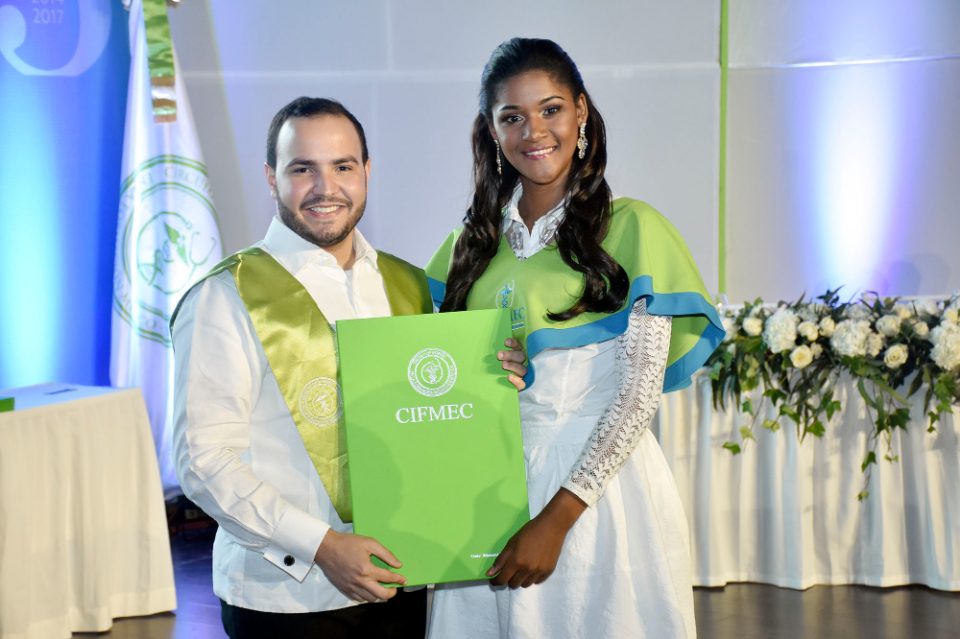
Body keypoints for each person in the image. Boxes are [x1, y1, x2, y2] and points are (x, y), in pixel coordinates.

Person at [171, 96, 526, 639]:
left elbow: (437, 418)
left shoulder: (408, 284)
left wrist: (496, 373)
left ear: (366, 171)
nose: (325, 187)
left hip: (407, 578)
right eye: (302, 169)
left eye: (342, 166)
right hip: (286, 598)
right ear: (270, 177)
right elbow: (204, 461)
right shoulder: (225, 296)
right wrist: (321, 546)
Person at [425, 38, 724, 638]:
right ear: (491, 130)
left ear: (581, 110)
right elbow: (442, 381)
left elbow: (637, 398)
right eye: (512, 116)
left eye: (551, 109)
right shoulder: (470, 246)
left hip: (599, 500)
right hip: (487, 492)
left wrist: (558, 519)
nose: (533, 131)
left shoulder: (634, 227)